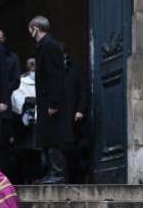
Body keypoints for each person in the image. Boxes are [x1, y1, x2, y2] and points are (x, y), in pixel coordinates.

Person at [28, 16, 73, 184]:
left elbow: (55, 77)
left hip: (52, 102)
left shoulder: (50, 46)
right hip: (46, 100)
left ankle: (58, 174)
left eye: (30, 29)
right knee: (46, 138)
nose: (30, 33)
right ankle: (51, 173)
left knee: (54, 138)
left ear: (36, 28)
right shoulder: (43, 46)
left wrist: (54, 103)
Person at [0, 28, 21, 181]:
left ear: (4, 39)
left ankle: (3, 177)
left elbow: (16, 81)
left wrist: (2, 91)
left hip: (5, 107)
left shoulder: (12, 58)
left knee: (4, 143)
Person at [61, 44, 90, 184]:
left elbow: (83, 91)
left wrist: (80, 110)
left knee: (75, 149)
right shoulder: (53, 70)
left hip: (74, 115)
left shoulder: (76, 69)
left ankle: (77, 179)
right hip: (60, 116)